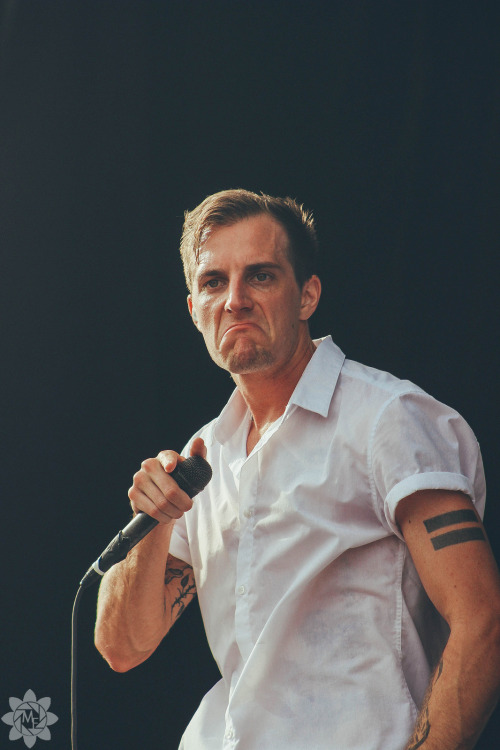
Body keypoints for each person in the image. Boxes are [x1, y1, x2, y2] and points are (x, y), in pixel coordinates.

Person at [95, 189, 500, 749]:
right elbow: (121, 647)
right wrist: (154, 521)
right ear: (194, 309)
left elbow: (484, 623)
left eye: (260, 276)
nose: (234, 300)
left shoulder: (386, 418)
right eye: (213, 282)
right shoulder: (203, 457)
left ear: (307, 294)